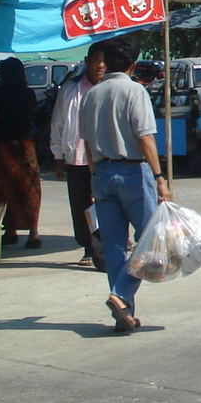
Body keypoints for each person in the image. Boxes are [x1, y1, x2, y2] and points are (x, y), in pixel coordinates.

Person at [80, 35, 172, 334]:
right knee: (151, 240)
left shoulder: (91, 95)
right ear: (133, 64)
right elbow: (145, 137)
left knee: (115, 246)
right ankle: (121, 294)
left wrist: (95, 179)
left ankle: (125, 311)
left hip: (101, 173)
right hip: (132, 172)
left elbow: (87, 144)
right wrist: (160, 178)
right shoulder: (135, 91)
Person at [49, 41, 109, 270]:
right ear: (87, 62)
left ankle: (108, 245)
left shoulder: (111, 88)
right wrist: (58, 156)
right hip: (78, 158)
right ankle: (88, 246)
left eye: (104, 61)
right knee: (81, 206)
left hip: (105, 157)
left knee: (106, 202)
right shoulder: (70, 90)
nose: (100, 66)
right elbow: (59, 123)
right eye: (95, 61)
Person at [0, 57, 42, 249]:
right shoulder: (28, 93)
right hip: (26, 144)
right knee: (30, 189)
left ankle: (10, 230)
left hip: (3, 144)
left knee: (4, 189)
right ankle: (33, 233)